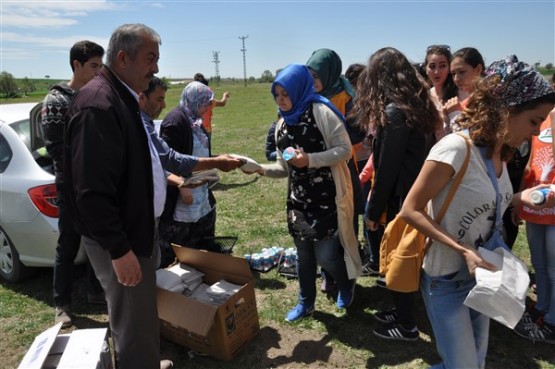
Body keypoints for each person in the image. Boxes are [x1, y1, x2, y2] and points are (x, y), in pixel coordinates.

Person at [64, 23, 242, 369]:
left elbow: (160, 158)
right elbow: (91, 191)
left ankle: (142, 359)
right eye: (150, 58)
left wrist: (214, 162)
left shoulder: (125, 99)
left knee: (140, 310)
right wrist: (120, 249)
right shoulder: (99, 106)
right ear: (122, 57)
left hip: (137, 230)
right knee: (132, 316)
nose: (156, 68)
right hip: (123, 237)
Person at [398, 55, 555, 368]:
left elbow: (490, 201)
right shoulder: (455, 149)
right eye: (534, 121)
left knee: (477, 362)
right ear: (506, 109)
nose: (537, 132)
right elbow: (410, 210)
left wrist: (524, 197)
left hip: (484, 276)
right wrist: (463, 251)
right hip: (447, 278)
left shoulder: (500, 152)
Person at [252, 64, 362, 322]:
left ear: (299, 89)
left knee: (325, 255)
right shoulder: (282, 123)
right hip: (299, 202)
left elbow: (345, 150)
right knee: (303, 256)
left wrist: (310, 159)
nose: (281, 100)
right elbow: (284, 166)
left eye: (286, 93)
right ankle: (306, 302)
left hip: (328, 199)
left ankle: (346, 283)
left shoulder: (321, 112)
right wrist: (259, 169)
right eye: (277, 94)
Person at [351, 47, 441, 341]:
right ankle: (402, 311)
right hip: (417, 193)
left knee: (400, 259)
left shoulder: (394, 113)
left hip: (402, 199)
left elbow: (387, 170)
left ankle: (407, 326)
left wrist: (373, 211)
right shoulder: (415, 105)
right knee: (406, 258)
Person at [40, 40, 106, 328]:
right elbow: (57, 149)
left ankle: (96, 291)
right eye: (94, 66)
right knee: (68, 245)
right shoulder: (56, 101)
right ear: (76, 65)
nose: (98, 72)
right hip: (70, 186)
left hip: (94, 185)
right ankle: (62, 304)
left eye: (101, 66)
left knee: (98, 240)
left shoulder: (96, 95)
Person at [306, 48, 365, 292]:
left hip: (342, 168)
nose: (313, 82)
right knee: (321, 223)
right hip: (316, 169)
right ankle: (327, 273)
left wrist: (332, 132)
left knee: (344, 222)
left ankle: (347, 276)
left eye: (317, 77)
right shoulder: (306, 95)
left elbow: (358, 132)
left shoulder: (346, 97)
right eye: (309, 76)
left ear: (329, 74)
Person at [157, 81, 218, 267]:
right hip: (182, 192)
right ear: (194, 100)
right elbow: (165, 160)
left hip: (200, 187)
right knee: (176, 242)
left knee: (200, 233)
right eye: (205, 102)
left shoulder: (195, 120)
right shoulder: (175, 121)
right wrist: (182, 185)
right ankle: (170, 282)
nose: (208, 107)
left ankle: (197, 270)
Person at [515, 85, 555, 343]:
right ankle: (541, 308)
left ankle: (552, 322)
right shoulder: (542, 116)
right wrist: (519, 199)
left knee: (554, 268)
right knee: (538, 264)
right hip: (534, 202)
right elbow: (531, 161)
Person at [443, 47, 485, 131]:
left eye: (461, 72)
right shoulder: (464, 102)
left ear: (478, 69)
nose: (456, 79)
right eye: (453, 74)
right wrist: (447, 120)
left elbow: (472, 139)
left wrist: (454, 114)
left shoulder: (488, 101)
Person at [423, 44, 458, 138]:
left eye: (442, 66)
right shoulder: (424, 96)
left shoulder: (458, 95)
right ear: (426, 69)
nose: (437, 72)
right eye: (432, 66)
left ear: (449, 68)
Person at [193, 72, 230, 139]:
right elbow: (222, 103)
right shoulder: (209, 100)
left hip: (194, 130)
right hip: (206, 130)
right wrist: (225, 95)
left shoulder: (190, 99)